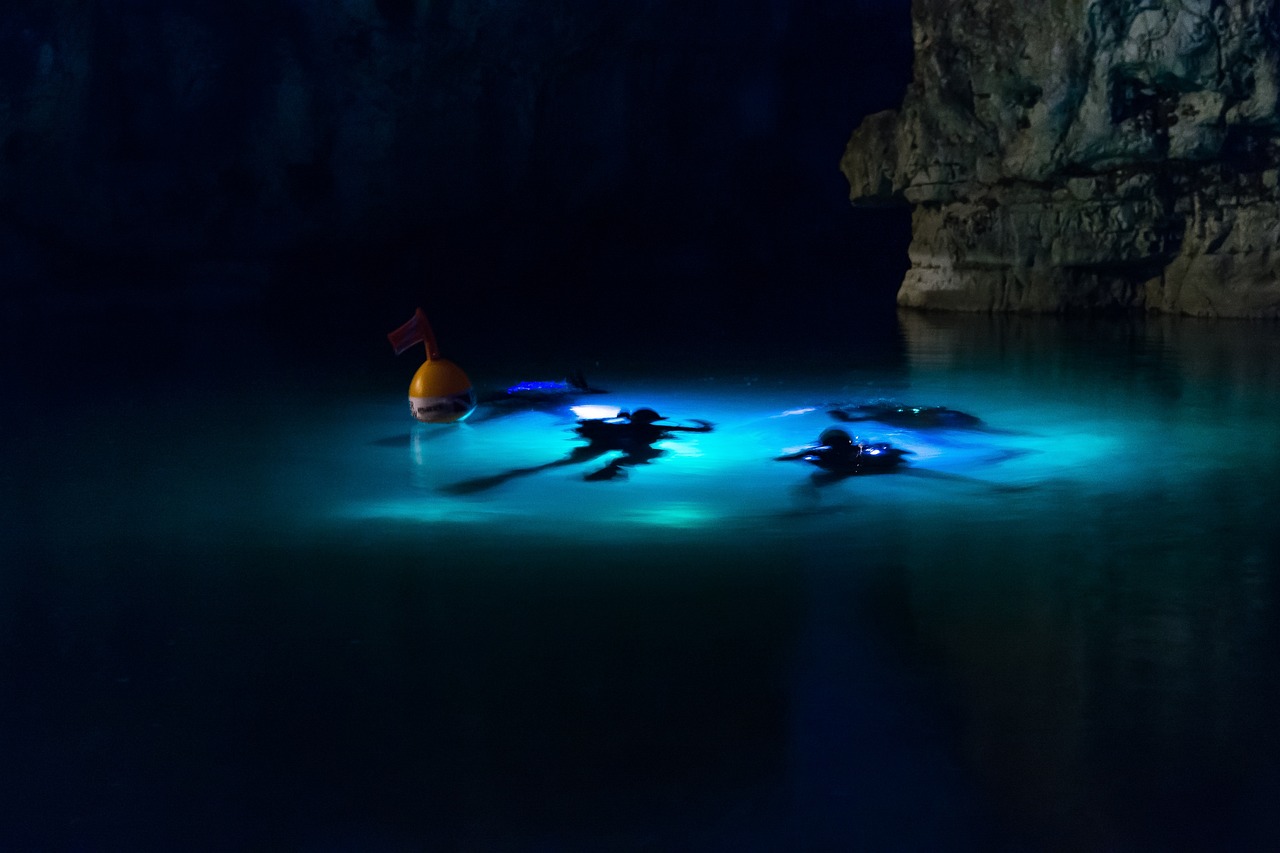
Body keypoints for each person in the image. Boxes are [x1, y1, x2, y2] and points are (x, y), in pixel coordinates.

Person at [441, 407, 713, 492]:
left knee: (558, 463)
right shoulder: (653, 429)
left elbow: (585, 423)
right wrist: (699, 422)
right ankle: (613, 469)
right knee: (636, 457)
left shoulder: (623, 424)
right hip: (622, 445)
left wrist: (616, 419)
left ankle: (611, 468)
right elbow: (698, 430)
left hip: (606, 440)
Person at [775, 427, 910, 476]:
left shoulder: (821, 454)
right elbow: (800, 455)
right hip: (848, 465)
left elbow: (799, 455)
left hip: (847, 465)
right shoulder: (822, 454)